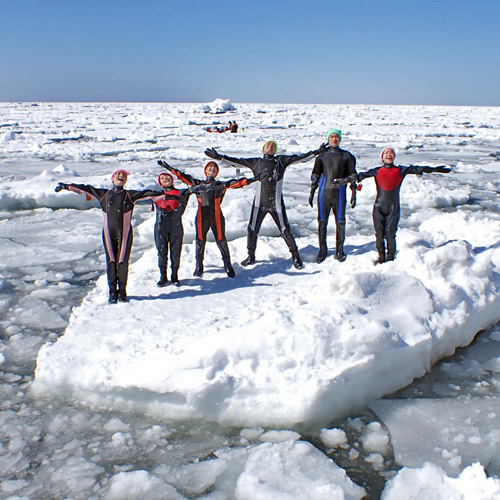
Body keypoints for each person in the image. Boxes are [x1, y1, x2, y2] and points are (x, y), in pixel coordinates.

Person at [55, 170, 179, 303]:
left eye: (123, 175)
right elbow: (85, 188)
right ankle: (112, 292)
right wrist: (66, 186)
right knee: (111, 262)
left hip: (125, 234)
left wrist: (169, 195)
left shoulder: (129, 195)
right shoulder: (104, 194)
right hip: (108, 233)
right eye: (118, 174)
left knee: (122, 262)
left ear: (125, 181)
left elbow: (148, 193)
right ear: (112, 178)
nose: (121, 176)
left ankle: (123, 292)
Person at [205, 140, 326, 269]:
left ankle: (296, 256)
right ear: (263, 149)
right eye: (268, 144)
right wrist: (219, 157)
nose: (270, 146)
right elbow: (236, 161)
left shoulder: (281, 161)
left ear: (276, 150)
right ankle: (251, 256)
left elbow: (300, 158)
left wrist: (316, 153)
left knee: (285, 229)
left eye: (273, 145)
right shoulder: (256, 162)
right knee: (252, 229)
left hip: (276, 203)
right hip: (259, 203)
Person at [332, 147, 451, 264]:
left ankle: (390, 257)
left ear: (394, 156)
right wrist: (343, 181)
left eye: (391, 153)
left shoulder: (400, 170)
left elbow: (418, 169)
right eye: (386, 153)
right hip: (378, 207)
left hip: (393, 208)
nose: (389, 154)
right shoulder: (377, 171)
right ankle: (381, 257)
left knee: (390, 232)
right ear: (382, 158)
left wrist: (435, 169)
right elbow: (359, 176)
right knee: (379, 233)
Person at [158, 160, 263, 278]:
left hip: (216, 217)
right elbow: (182, 176)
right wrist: (169, 168)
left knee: (221, 240)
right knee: (200, 241)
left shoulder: (220, 185)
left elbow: (238, 183)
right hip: (201, 217)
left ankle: (228, 265)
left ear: (216, 172)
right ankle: (199, 266)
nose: (212, 169)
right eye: (210, 167)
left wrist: (253, 179)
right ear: (205, 170)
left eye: (214, 168)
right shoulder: (197, 183)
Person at [309, 128, 357, 263]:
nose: (334, 139)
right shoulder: (322, 156)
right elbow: (315, 174)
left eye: (336, 137)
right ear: (328, 139)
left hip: (339, 193)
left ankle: (339, 250)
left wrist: (352, 191)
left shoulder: (347, 156)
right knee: (322, 221)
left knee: (340, 222)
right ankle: (322, 250)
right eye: (331, 137)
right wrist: (312, 191)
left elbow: (353, 175)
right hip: (324, 192)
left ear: (340, 139)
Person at [154, 171, 192, 287]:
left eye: (167, 177)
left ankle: (174, 276)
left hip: (176, 226)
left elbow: (192, 188)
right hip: (160, 227)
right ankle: (163, 276)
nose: (165, 179)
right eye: (162, 178)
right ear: (160, 182)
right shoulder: (156, 194)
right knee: (161, 252)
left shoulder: (180, 193)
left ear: (172, 180)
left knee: (175, 252)